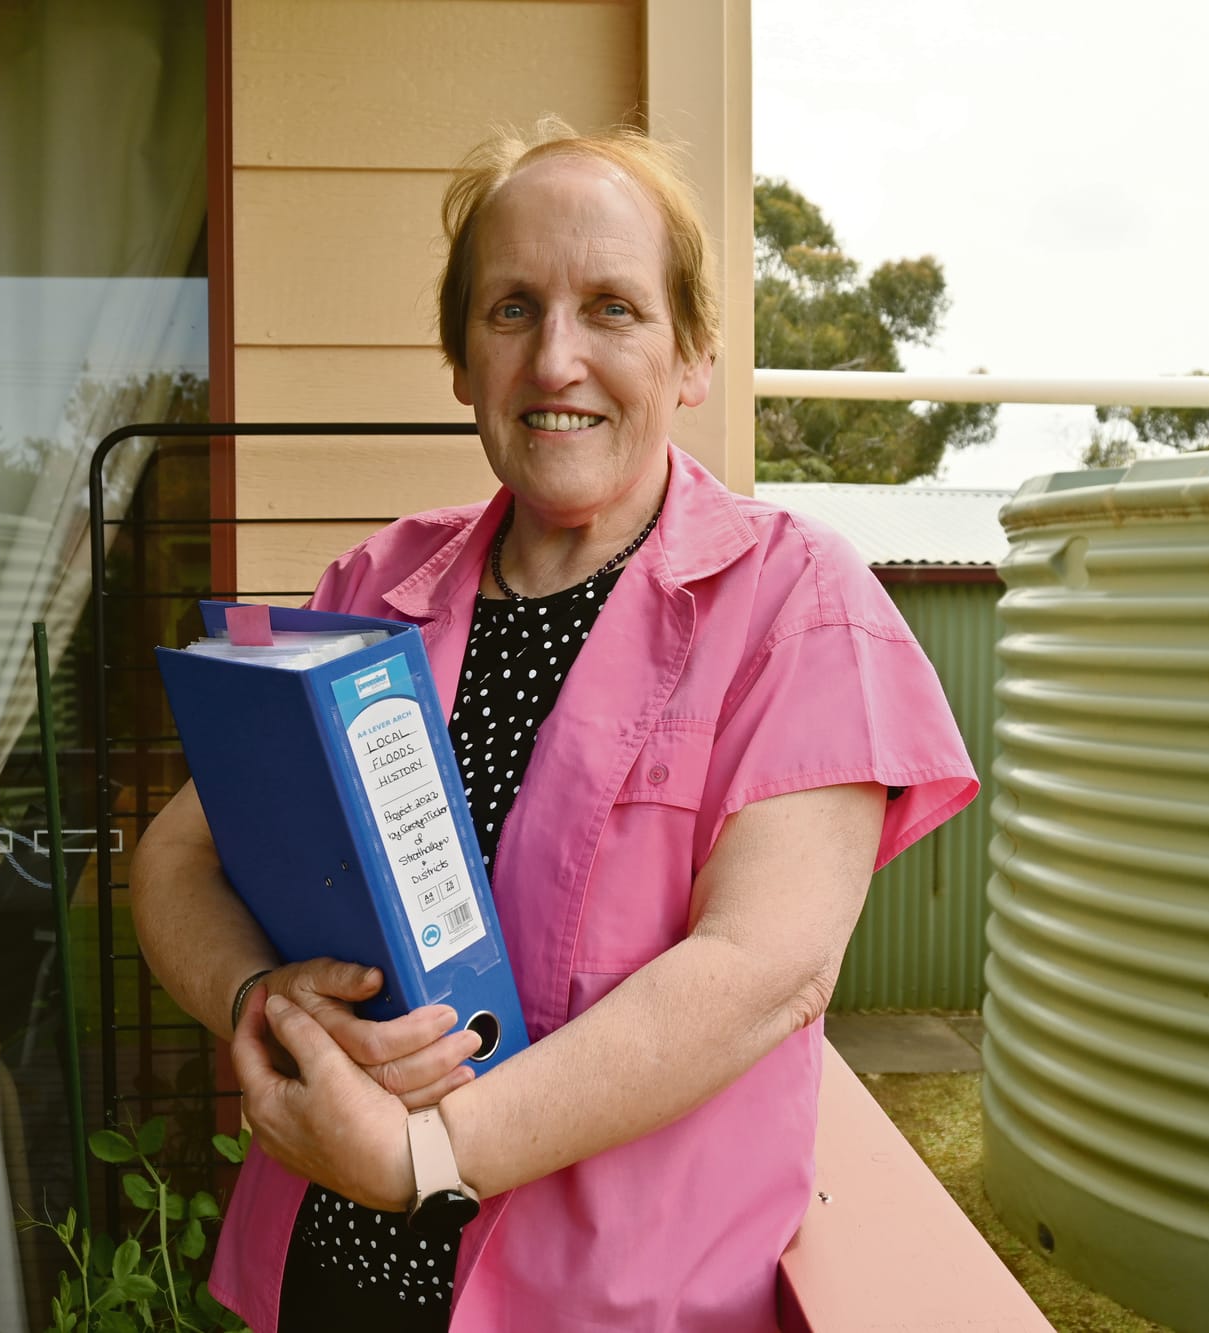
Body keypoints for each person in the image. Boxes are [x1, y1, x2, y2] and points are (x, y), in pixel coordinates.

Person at [130, 118, 978, 1332]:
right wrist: (258, 996)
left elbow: (759, 972)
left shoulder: (795, 600)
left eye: (614, 309)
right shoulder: (374, 585)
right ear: (462, 360)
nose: (557, 360)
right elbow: (172, 858)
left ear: (689, 353)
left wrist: (426, 1156)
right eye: (513, 308)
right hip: (330, 1277)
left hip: (602, 1304)